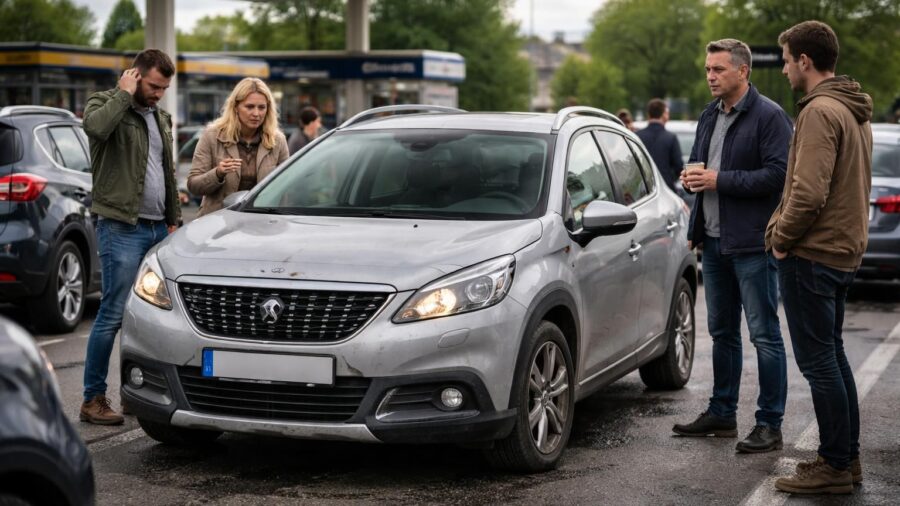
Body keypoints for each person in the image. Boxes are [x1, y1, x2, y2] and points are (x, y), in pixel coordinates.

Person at [672, 39, 793, 453]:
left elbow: (779, 176)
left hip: (753, 244)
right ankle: (722, 413)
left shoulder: (770, 116)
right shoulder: (710, 114)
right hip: (714, 242)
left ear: (743, 71)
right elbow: (698, 168)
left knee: (764, 335)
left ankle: (769, 424)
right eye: (708, 69)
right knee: (722, 332)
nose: (710, 76)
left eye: (718, 69)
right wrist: (692, 188)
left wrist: (718, 179)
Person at [767, 21, 873, 495]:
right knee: (832, 356)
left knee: (819, 363)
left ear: (805, 60)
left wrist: (781, 239)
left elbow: (808, 193)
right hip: (841, 251)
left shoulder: (819, 111)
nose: (785, 69)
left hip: (813, 253)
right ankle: (845, 459)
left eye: (787, 60)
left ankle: (833, 465)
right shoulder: (852, 108)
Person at [80, 49, 181, 425]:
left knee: (151, 317)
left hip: (157, 228)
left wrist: (173, 220)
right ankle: (92, 399)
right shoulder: (104, 104)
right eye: (154, 86)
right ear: (135, 76)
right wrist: (123, 95)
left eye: (164, 88)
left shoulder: (160, 117)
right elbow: (95, 129)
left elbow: (166, 172)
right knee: (112, 314)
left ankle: (137, 394)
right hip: (121, 226)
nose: (158, 94)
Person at [188, 77, 289, 217]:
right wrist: (218, 173)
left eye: (262, 107)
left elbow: (287, 188)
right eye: (249, 107)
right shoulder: (212, 136)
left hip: (261, 222)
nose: (256, 113)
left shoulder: (277, 140)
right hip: (217, 221)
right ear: (235, 107)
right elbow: (193, 185)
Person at [636, 98, 683, 190]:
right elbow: (678, 167)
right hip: (666, 188)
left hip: (643, 190)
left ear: (648, 115)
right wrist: (670, 179)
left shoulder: (637, 136)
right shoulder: (671, 138)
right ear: (664, 115)